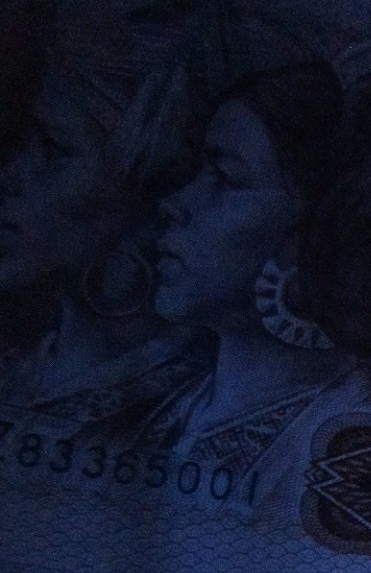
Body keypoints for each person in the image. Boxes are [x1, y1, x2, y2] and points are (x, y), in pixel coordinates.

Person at [146, 57, 371, 515]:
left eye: (225, 178)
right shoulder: (169, 407)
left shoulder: (347, 468)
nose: (174, 204)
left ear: (320, 230)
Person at [0, 10, 213, 435]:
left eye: (53, 147)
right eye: (20, 139)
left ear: (150, 181)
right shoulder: (23, 362)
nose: (8, 173)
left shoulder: (198, 402)